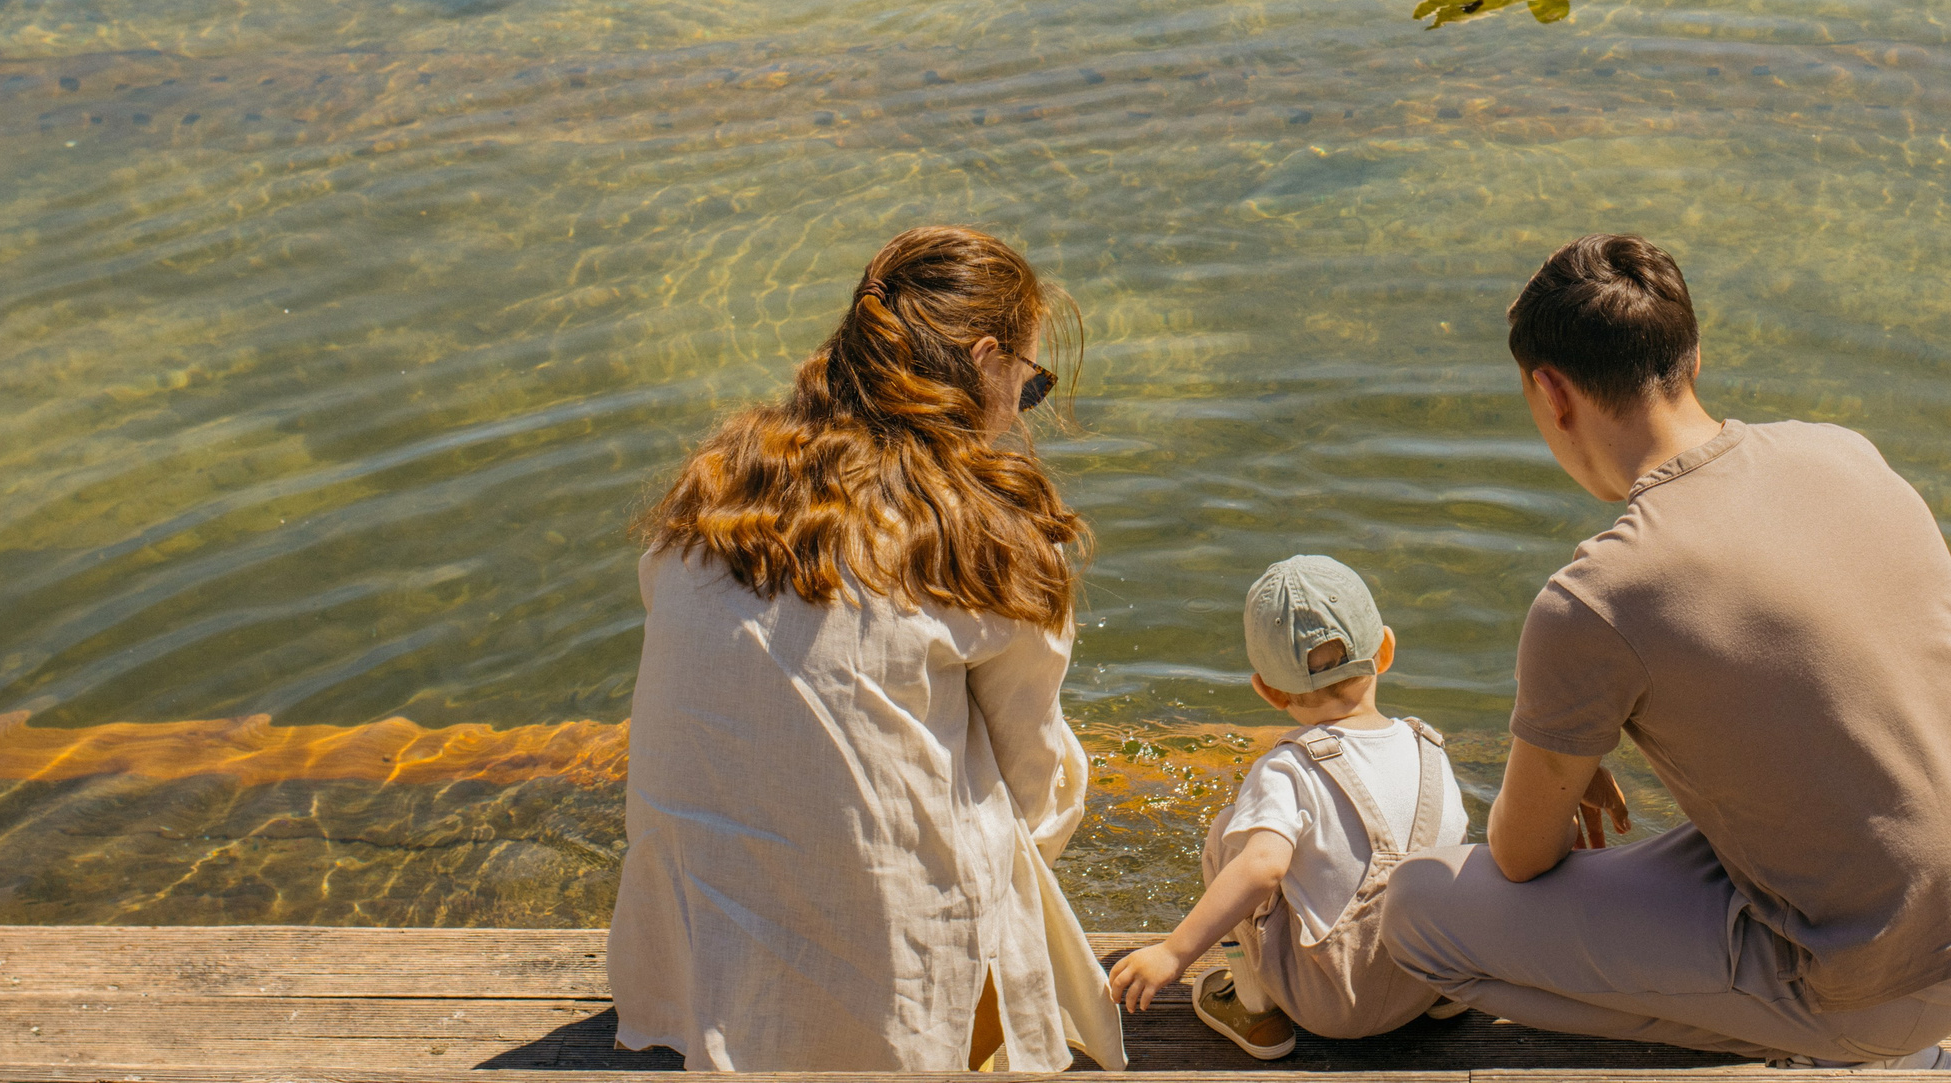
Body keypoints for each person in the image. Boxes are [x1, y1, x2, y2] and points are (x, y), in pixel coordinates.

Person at [1381, 234, 1951, 1071]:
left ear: (1551, 393)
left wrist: (1554, 762)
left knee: (1418, 912)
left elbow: (1524, 857)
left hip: (1898, 983)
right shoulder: (1842, 451)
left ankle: (1852, 1054)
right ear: (1693, 356)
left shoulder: (1598, 595)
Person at [607, 226, 1125, 1074]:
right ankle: (969, 1015)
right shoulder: (982, 532)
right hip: (888, 977)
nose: (1020, 410)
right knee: (1053, 765)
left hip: (691, 947)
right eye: (1030, 386)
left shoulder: (714, 486)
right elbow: (1029, 779)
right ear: (987, 360)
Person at [1107, 556, 1468, 1058]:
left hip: (1331, 1005)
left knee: (1232, 835)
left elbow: (1263, 869)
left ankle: (1256, 1011)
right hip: (1429, 978)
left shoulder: (1287, 768)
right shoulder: (1429, 747)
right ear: (1385, 650)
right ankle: (1447, 1002)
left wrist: (1173, 952)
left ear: (1269, 691)